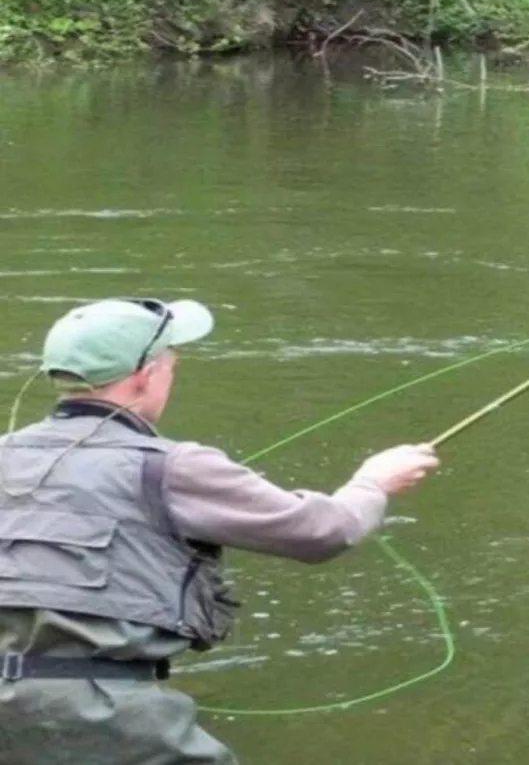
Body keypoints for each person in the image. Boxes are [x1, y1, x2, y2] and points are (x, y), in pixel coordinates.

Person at [0, 297, 439, 764]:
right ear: (145, 375)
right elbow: (322, 531)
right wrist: (373, 483)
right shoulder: (174, 466)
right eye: (171, 367)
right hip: (100, 713)